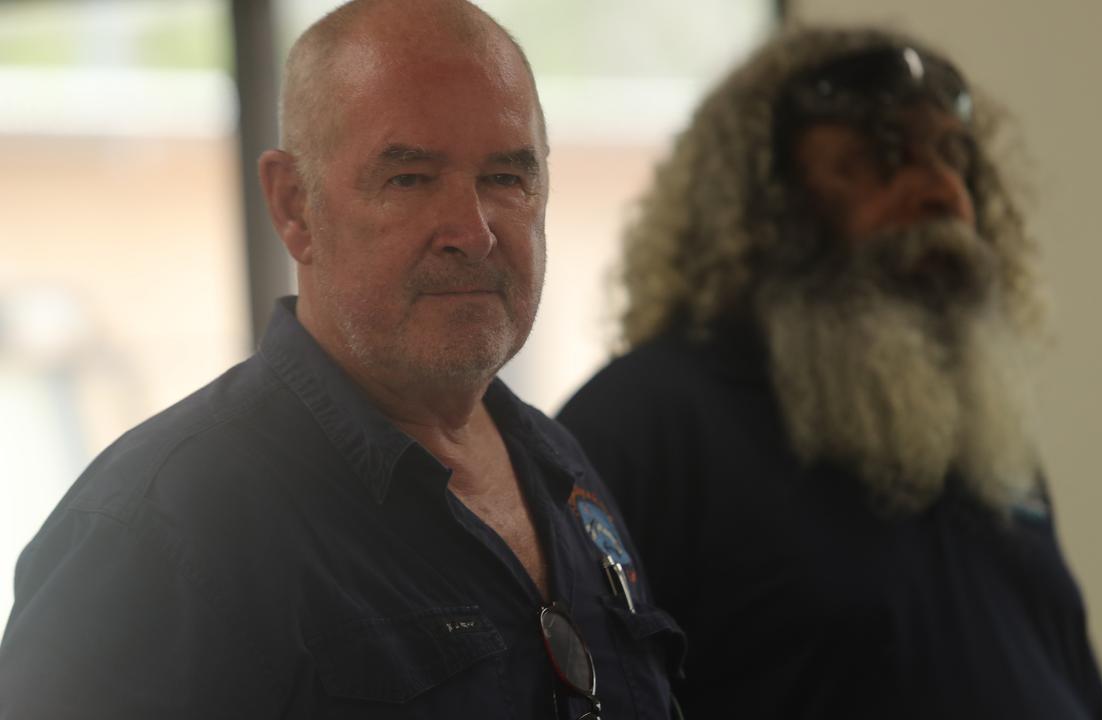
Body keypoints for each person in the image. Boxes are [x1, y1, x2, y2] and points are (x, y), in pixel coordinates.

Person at [0, 1, 683, 717]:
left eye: (507, 178)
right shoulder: (160, 531)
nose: (473, 232)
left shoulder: (560, 468)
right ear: (295, 205)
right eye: (410, 178)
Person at [557, 26, 1102, 719]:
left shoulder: (984, 445)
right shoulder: (646, 424)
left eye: (952, 155)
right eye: (882, 157)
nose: (942, 190)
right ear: (765, 203)